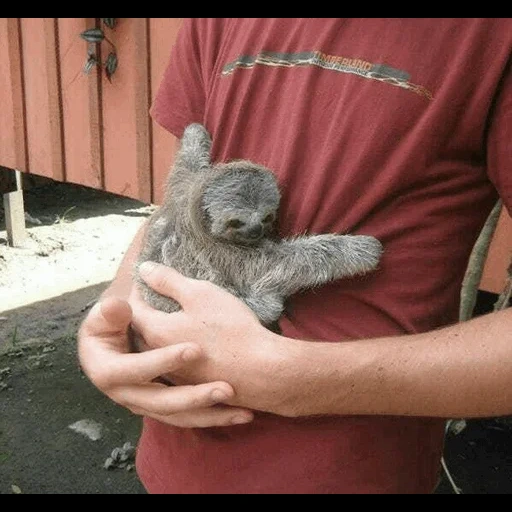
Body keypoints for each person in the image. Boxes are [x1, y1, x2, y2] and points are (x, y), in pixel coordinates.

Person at [77, 18, 512, 494]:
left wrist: (298, 380)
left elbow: (281, 252)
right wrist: (112, 322)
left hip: (351, 470)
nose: (261, 230)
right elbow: (178, 211)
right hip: (176, 462)